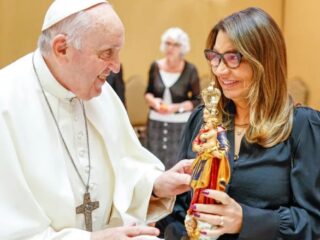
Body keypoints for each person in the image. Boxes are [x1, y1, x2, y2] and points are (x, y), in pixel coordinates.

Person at [0, 1, 193, 239]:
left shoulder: (97, 92)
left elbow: (124, 166)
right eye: (106, 53)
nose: (116, 66)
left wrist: (155, 186)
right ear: (62, 48)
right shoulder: (6, 102)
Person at [160, 7, 320, 240]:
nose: (220, 70)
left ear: (264, 60)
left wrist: (246, 220)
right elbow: (179, 208)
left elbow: (314, 223)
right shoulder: (203, 118)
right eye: (215, 57)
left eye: (233, 58)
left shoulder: (303, 127)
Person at [144, 27, 201, 170]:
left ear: (183, 48)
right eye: (168, 43)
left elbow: (197, 100)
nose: (171, 48)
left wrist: (176, 108)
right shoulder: (155, 66)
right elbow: (148, 92)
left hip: (179, 124)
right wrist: (153, 101)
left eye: (175, 45)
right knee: (154, 164)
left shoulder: (190, 70)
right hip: (156, 121)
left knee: (176, 165)